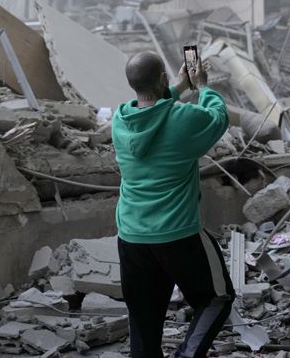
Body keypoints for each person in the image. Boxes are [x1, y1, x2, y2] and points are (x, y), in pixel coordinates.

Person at [112, 51, 234, 358]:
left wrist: (179, 85)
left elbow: (153, 109)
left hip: (132, 237)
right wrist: (203, 86)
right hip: (178, 234)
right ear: (162, 79)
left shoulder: (120, 121)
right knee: (217, 297)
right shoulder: (183, 120)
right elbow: (218, 118)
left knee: (144, 319)